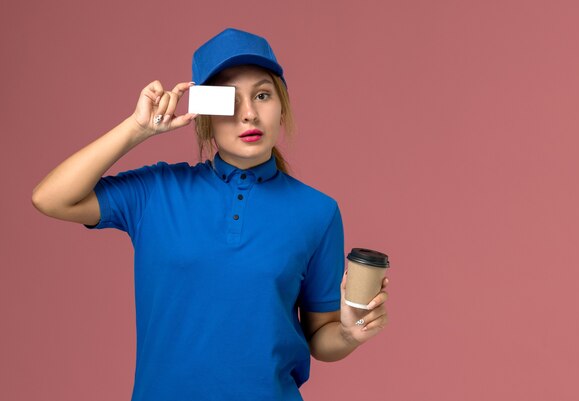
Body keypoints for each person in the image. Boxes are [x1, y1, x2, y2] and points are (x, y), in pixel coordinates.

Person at [32, 28, 389, 401]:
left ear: (282, 106)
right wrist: (136, 130)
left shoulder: (318, 212)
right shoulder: (156, 191)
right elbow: (51, 198)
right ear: (205, 112)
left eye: (263, 95)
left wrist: (348, 333)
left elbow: (321, 335)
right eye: (229, 99)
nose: (249, 113)